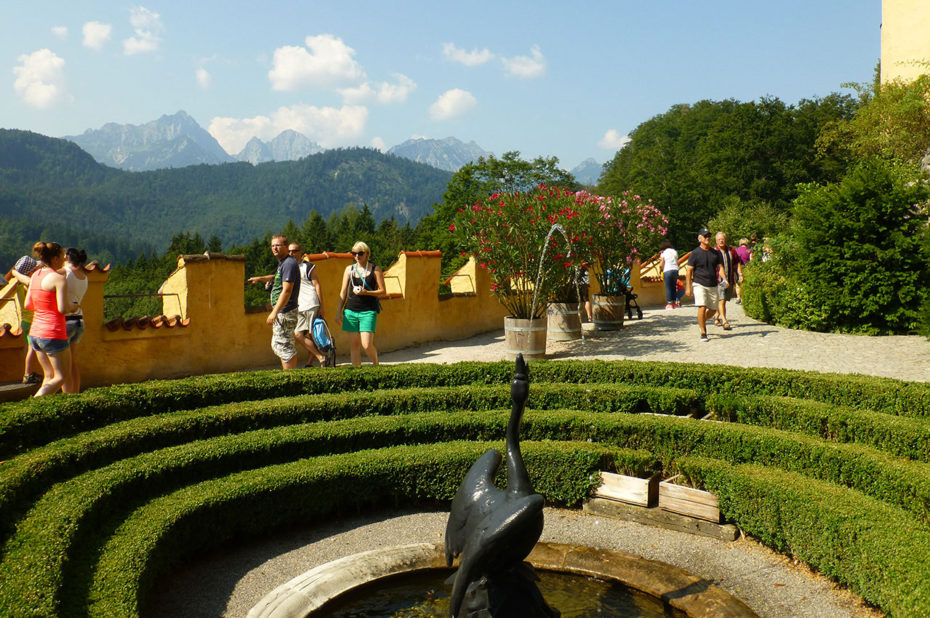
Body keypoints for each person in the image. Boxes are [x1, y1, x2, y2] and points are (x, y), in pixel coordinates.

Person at [247, 234, 300, 370]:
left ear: (286, 247)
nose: (274, 248)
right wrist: (260, 279)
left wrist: (274, 312)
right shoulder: (284, 263)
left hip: (285, 311)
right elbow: (277, 277)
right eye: (272, 246)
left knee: (284, 345)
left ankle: (290, 379)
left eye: (278, 245)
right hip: (284, 311)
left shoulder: (288, 263)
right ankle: (290, 377)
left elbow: (287, 290)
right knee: (282, 344)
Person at [26, 242, 72, 396]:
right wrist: (74, 307)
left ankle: (38, 414)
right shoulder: (58, 279)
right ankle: (34, 406)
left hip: (35, 333)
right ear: (55, 259)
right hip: (53, 332)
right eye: (62, 255)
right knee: (61, 377)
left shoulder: (35, 276)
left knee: (49, 376)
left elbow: (28, 304)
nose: (65, 258)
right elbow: (63, 309)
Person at [338, 241, 385, 366]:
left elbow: (382, 291)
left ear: (367, 254)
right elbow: (343, 292)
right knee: (354, 344)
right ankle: (356, 373)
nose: (357, 256)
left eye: (360, 253)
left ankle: (375, 363)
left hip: (368, 310)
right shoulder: (349, 269)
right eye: (354, 253)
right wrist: (338, 311)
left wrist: (367, 293)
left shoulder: (375, 269)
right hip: (351, 310)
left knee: (366, 344)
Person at [288, 242, 327, 367]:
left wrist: (321, 306)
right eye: (289, 251)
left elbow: (317, 285)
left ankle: (311, 362)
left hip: (310, 303)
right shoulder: (288, 268)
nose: (291, 253)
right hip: (299, 306)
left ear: (300, 252)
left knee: (312, 335)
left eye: (294, 251)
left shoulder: (308, 267)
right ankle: (321, 357)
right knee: (298, 335)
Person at [685, 228, 727, 342]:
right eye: (705, 236)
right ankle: (703, 332)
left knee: (713, 310)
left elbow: (720, 268)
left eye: (709, 235)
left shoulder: (716, 253)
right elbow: (689, 271)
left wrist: (724, 279)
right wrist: (688, 288)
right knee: (702, 307)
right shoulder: (694, 253)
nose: (708, 238)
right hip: (699, 284)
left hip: (713, 285)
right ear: (700, 239)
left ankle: (701, 320)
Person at [9, 255, 43, 384]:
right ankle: (27, 374)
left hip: (26, 322)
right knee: (32, 349)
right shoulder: (26, 285)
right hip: (31, 322)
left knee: (30, 348)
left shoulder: (18, 284)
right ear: (29, 272)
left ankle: (28, 373)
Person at [63, 248, 89, 393]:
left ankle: (67, 397)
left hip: (67, 320)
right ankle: (76, 393)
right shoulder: (84, 277)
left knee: (64, 364)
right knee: (72, 362)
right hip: (79, 321)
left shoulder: (66, 272)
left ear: (66, 257)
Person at [713, 232, 742, 328]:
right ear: (716, 241)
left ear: (725, 240)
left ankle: (717, 317)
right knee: (721, 300)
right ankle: (725, 321)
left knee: (724, 300)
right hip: (718, 281)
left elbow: (737, 263)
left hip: (729, 279)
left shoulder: (732, 251)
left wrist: (740, 274)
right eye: (719, 239)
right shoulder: (713, 252)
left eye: (723, 239)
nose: (721, 241)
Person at [658, 240, 680, 309]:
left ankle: (669, 304)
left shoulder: (664, 253)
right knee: (673, 286)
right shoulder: (674, 252)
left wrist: (660, 270)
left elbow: (661, 264)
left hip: (667, 270)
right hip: (675, 270)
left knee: (668, 287)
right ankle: (675, 303)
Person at [734, 238, 752, 304]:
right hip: (745, 268)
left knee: (737, 284)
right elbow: (751, 260)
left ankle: (738, 297)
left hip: (737, 269)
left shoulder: (736, 250)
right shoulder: (749, 251)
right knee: (744, 283)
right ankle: (744, 298)